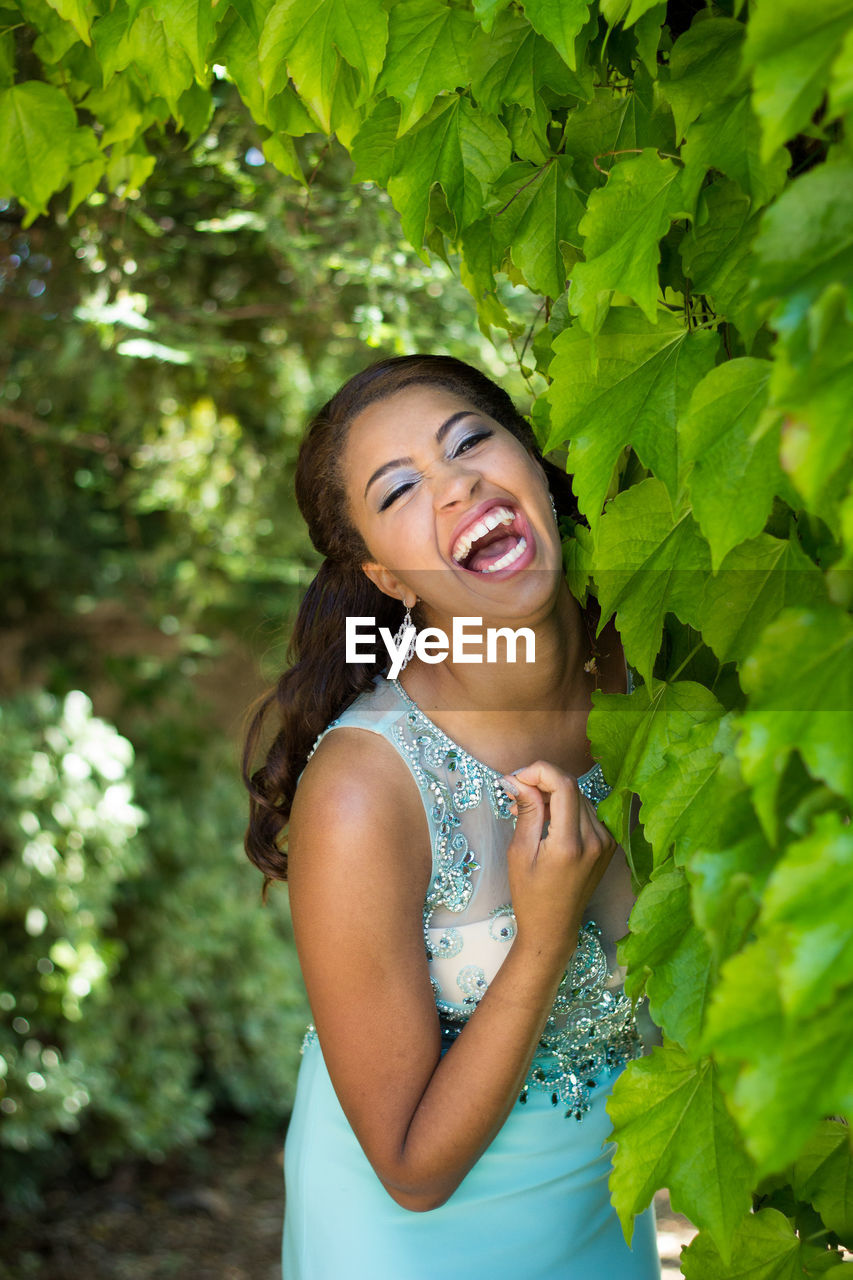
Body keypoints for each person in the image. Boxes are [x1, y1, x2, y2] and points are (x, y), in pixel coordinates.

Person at [242, 355, 660, 1279]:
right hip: (408, 1245)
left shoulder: (661, 666)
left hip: (603, 1218)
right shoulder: (363, 789)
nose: (457, 484)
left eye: (470, 440)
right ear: (387, 577)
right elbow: (409, 1169)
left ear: (533, 465)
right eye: (399, 491)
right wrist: (542, 935)